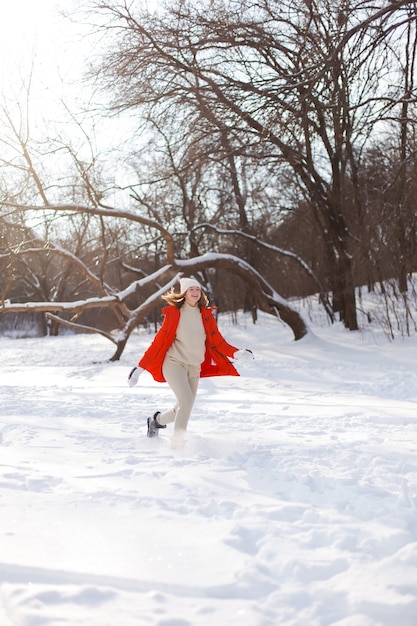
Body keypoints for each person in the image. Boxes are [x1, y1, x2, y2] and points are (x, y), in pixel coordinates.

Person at [128, 277, 254, 439]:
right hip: (174, 363)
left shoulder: (205, 315)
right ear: (184, 293)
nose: (195, 292)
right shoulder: (175, 314)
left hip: (194, 367)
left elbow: (218, 341)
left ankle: (156, 421)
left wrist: (237, 353)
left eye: (197, 289)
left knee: (182, 407)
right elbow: (158, 343)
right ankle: (178, 446)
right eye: (191, 289)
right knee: (186, 401)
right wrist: (140, 369)